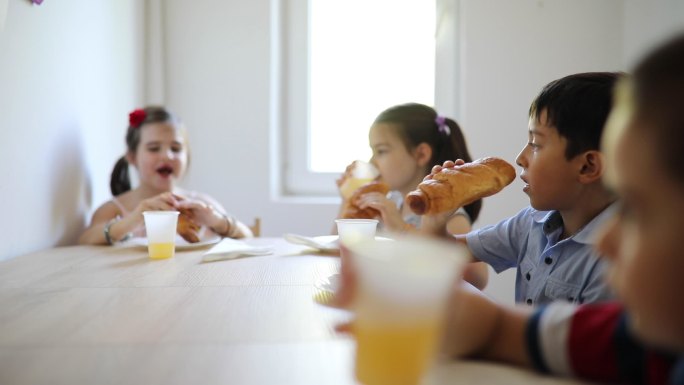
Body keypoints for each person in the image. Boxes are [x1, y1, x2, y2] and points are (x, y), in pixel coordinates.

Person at [437, 33, 684, 384]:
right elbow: (498, 328)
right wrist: (436, 218)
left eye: (638, 211)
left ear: (587, 167)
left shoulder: (615, 284)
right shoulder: (637, 343)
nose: (606, 241)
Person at [422, 72, 622, 305]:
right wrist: (435, 220)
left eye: (535, 144)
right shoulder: (532, 222)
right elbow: (451, 252)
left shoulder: (614, 260)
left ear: (587, 166)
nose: (520, 158)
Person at [336, 103, 489, 289]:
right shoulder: (390, 204)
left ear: (421, 154)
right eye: (372, 151)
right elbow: (339, 248)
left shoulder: (444, 214)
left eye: (381, 151)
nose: (371, 161)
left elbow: (477, 277)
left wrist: (400, 228)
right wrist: (348, 199)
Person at [78, 106, 252, 245]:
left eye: (176, 149)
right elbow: (85, 240)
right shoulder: (114, 209)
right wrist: (133, 219)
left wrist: (217, 221)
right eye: (154, 148)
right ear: (132, 157)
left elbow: (248, 236)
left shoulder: (202, 204)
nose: (167, 156)